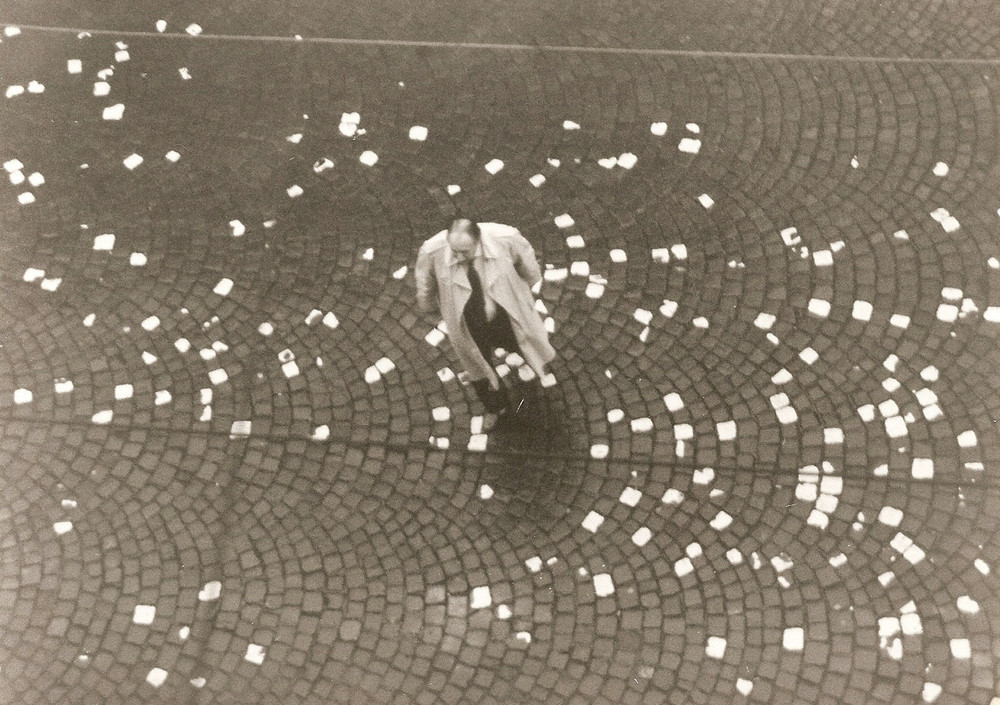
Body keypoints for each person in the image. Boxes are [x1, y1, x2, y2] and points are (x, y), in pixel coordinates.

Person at [415, 217, 555, 428]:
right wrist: (428, 306)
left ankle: (536, 366)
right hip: (468, 321)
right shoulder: (432, 251)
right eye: (455, 251)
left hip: (504, 312)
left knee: (523, 342)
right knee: (478, 367)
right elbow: (425, 284)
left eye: (466, 251)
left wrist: (526, 287)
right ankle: (497, 406)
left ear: (478, 240)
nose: (459, 257)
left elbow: (528, 265)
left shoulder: (505, 238)